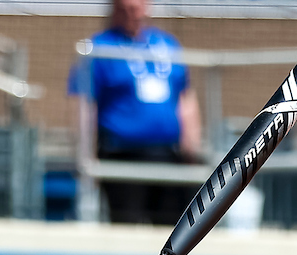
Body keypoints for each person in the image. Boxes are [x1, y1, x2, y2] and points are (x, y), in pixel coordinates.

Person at [71, 0, 202, 225]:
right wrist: (85, 156)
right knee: (128, 228)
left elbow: (185, 96)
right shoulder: (99, 47)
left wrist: (192, 146)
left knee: (173, 230)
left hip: (166, 154)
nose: (134, 13)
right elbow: (84, 105)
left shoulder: (167, 44)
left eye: (139, 6)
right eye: (127, 8)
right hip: (122, 154)